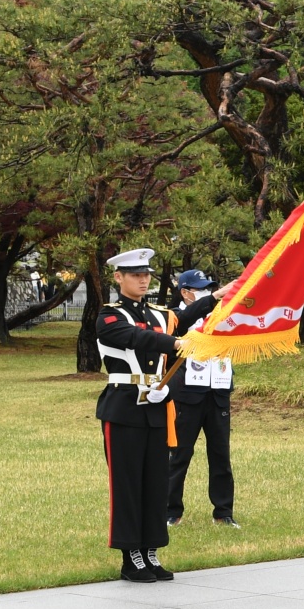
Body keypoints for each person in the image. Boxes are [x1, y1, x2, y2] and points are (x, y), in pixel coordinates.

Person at [95, 248, 208, 582]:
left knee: (156, 482)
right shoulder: (109, 315)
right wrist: (174, 344)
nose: (143, 280)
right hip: (124, 406)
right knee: (127, 483)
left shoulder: (160, 314)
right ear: (119, 278)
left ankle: (151, 550)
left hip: (157, 406)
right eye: (135, 275)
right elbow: (135, 338)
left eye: (146, 275)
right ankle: (131, 556)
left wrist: (219, 296)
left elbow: (188, 314)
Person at [165, 268, 238, 530]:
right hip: (187, 394)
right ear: (185, 292)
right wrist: (213, 299)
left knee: (220, 454)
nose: (207, 292)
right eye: (200, 288)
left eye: (209, 288)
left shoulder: (222, 315)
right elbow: (184, 321)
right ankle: (171, 510)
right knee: (179, 454)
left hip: (217, 391)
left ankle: (223, 512)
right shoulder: (176, 317)